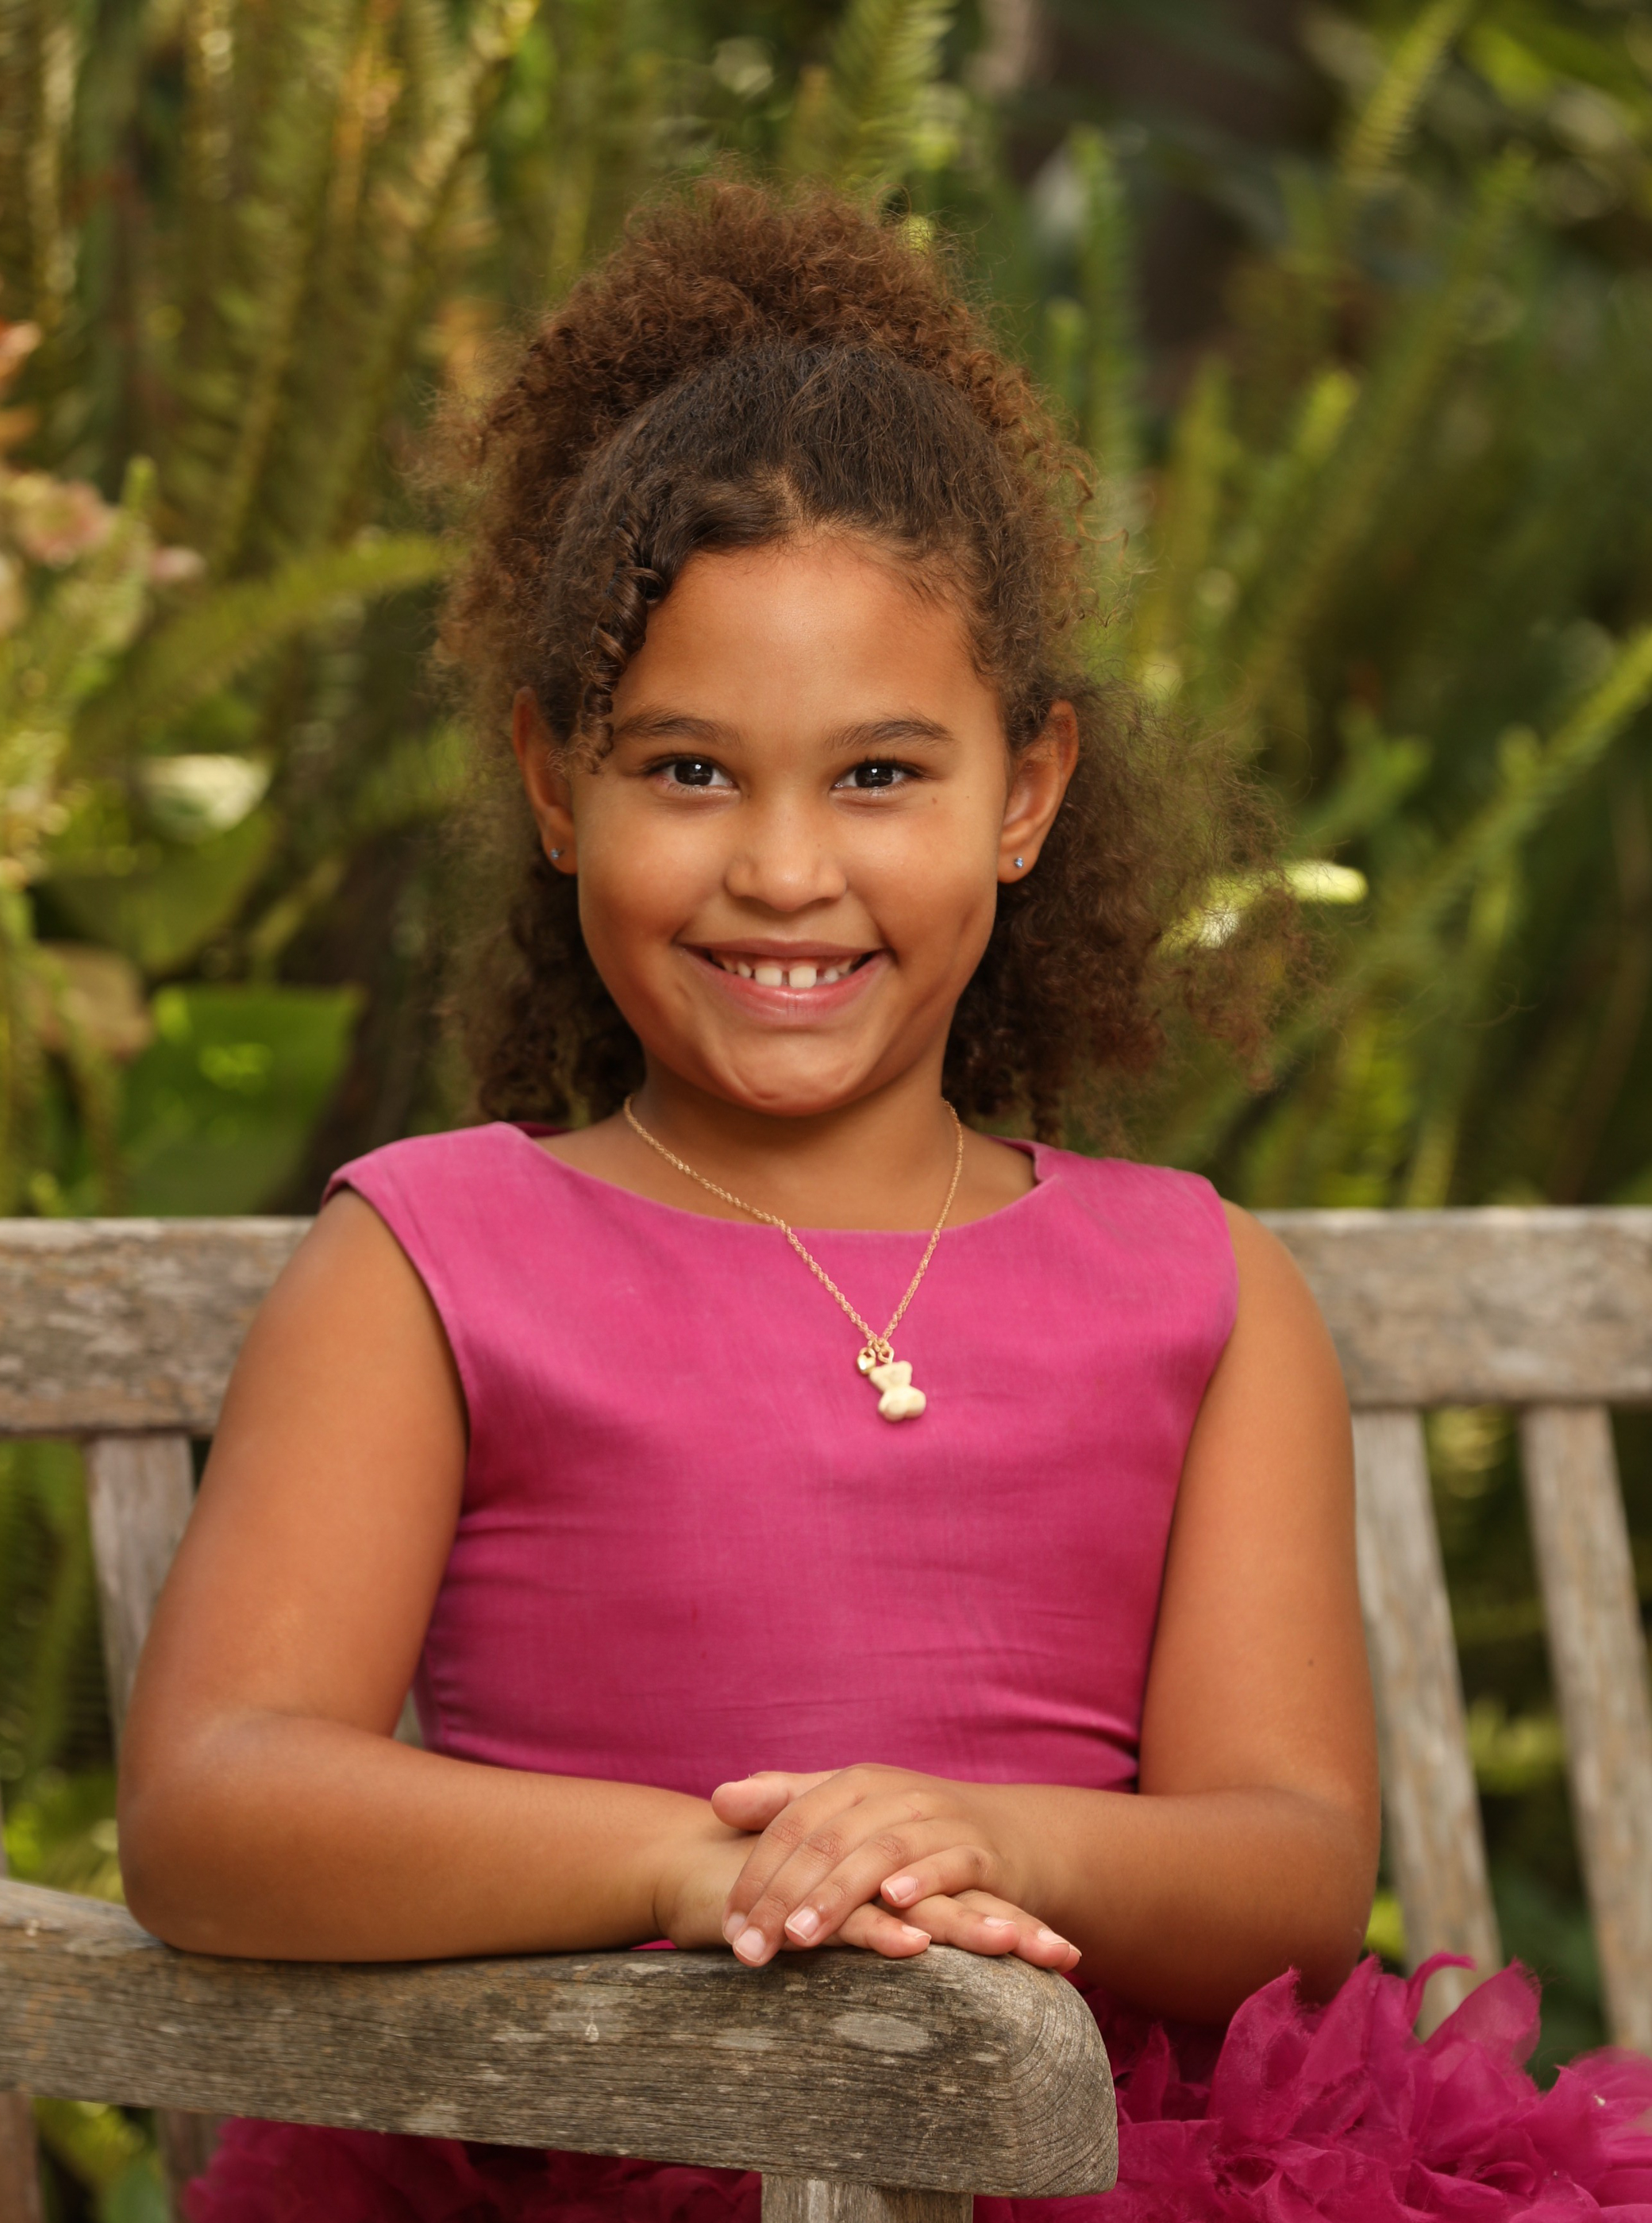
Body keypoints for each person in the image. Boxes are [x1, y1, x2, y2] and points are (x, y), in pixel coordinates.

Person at [119, 183, 1652, 2222]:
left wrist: (989, 1837)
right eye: (687, 770)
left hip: (1094, 2165)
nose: (781, 869)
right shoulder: (435, 1258)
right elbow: (215, 1801)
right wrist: (695, 1864)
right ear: (556, 781)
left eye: (876, 775)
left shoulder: (1198, 1291)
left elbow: (1284, 1866)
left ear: (1026, 790)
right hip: (610, 2155)